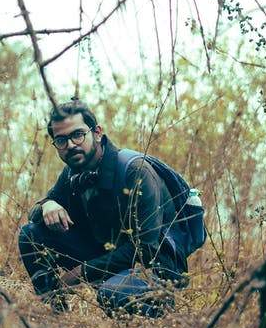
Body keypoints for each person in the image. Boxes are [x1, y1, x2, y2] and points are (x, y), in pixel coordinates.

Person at [17, 98, 187, 316]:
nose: (70, 145)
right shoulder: (73, 171)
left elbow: (145, 250)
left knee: (111, 293)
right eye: (61, 140)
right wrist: (47, 205)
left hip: (154, 269)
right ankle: (57, 318)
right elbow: (39, 211)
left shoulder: (135, 171)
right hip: (109, 255)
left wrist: (82, 272)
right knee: (30, 234)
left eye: (78, 135)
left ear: (97, 132)